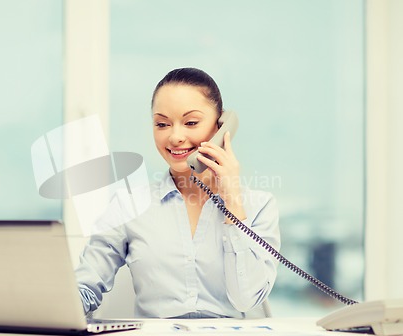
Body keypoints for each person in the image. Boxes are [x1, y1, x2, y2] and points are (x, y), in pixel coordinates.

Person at [75, 67, 280, 319]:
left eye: (191, 122)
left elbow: (247, 299)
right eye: (162, 124)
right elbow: (85, 286)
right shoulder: (129, 205)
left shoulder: (260, 206)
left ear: (221, 127)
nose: (174, 137)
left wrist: (232, 200)